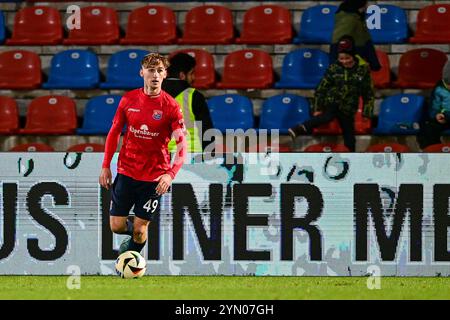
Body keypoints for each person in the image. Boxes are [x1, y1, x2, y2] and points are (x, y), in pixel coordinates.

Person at [99, 53, 187, 255]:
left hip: (153, 177)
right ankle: (135, 240)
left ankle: (133, 259)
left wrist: (170, 174)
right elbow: (114, 133)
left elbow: (182, 147)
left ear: (165, 75)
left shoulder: (171, 107)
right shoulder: (129, 100)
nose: (155, 75)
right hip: (127, 171)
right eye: (151, 70)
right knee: (116, 226)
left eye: (159, 71)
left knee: (139, 230)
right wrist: (105, 165)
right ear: (142, 72)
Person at [288, 35, 375, 152]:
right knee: (326, 117)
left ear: (353, 56)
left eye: (347, 58)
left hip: (348, 107)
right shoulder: (333, 68)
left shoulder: (362, 70)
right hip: (333, 101)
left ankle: (352, 159)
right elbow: (321, 89)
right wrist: (317, 107)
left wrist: (366, 113)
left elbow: (368, 93)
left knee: (349, 136)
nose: (344, 61)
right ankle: (299, 128)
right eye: (341, 59)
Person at [162, 52, 213, 152]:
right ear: (182, 75)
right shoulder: (194, 96)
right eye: (191, 73)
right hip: (190, 157)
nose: (193, 78)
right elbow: (206, 131)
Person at [330, 0, 381, 71]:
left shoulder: (357, 18)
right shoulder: (350, 19)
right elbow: (338, 44)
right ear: (360, 6)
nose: (367, 6)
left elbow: (367, 41)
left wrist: (374, 64)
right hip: (349, 66)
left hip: (355, 62)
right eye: (366, 4)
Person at [417, 61, 450, 150]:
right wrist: (437, 115)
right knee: (428, 128)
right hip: (445, 118)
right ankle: (433, 153)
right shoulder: (440, 87)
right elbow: (434, 107)